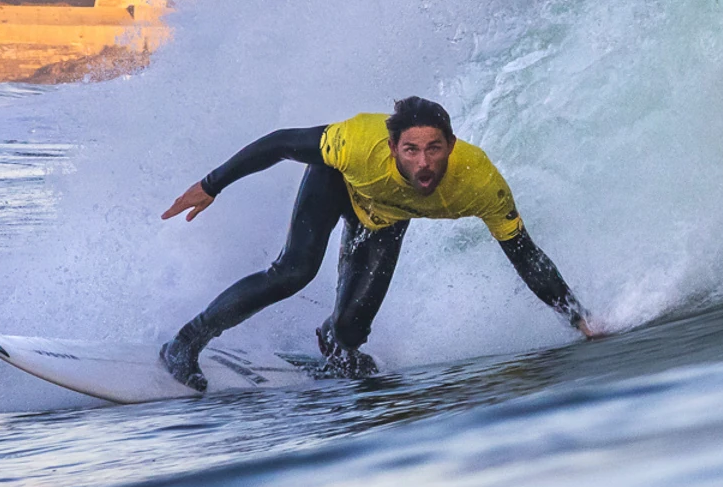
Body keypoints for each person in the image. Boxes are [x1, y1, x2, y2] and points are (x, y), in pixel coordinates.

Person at [157, 95, 597, 390]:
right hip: (336, 184)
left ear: (452, 145)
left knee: (350, 333)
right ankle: (185, 342)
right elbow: (280, 145)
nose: (424, 163)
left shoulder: (478, 180)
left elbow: (524, 254)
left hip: (385, 219)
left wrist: (578, 320)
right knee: (294, 271)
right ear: (391, 147)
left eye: (435, 149)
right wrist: (212, 184)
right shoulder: (357, 143)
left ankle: (332, 343)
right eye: (410, 150)